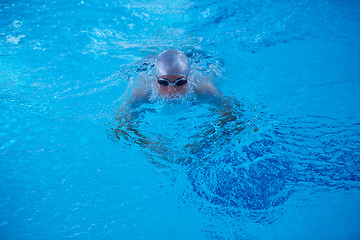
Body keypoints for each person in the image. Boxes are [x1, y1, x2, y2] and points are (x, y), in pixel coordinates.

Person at [110, 49, 247, 162]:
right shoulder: (142, 89)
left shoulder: (202, 87)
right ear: (155, 79)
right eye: (163, 83)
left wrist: (200, 141)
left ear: (188, 78)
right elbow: (116, 126)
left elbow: (235, 113)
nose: (172, 90)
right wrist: (148, 145)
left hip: (198, 56)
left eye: (180, 82)